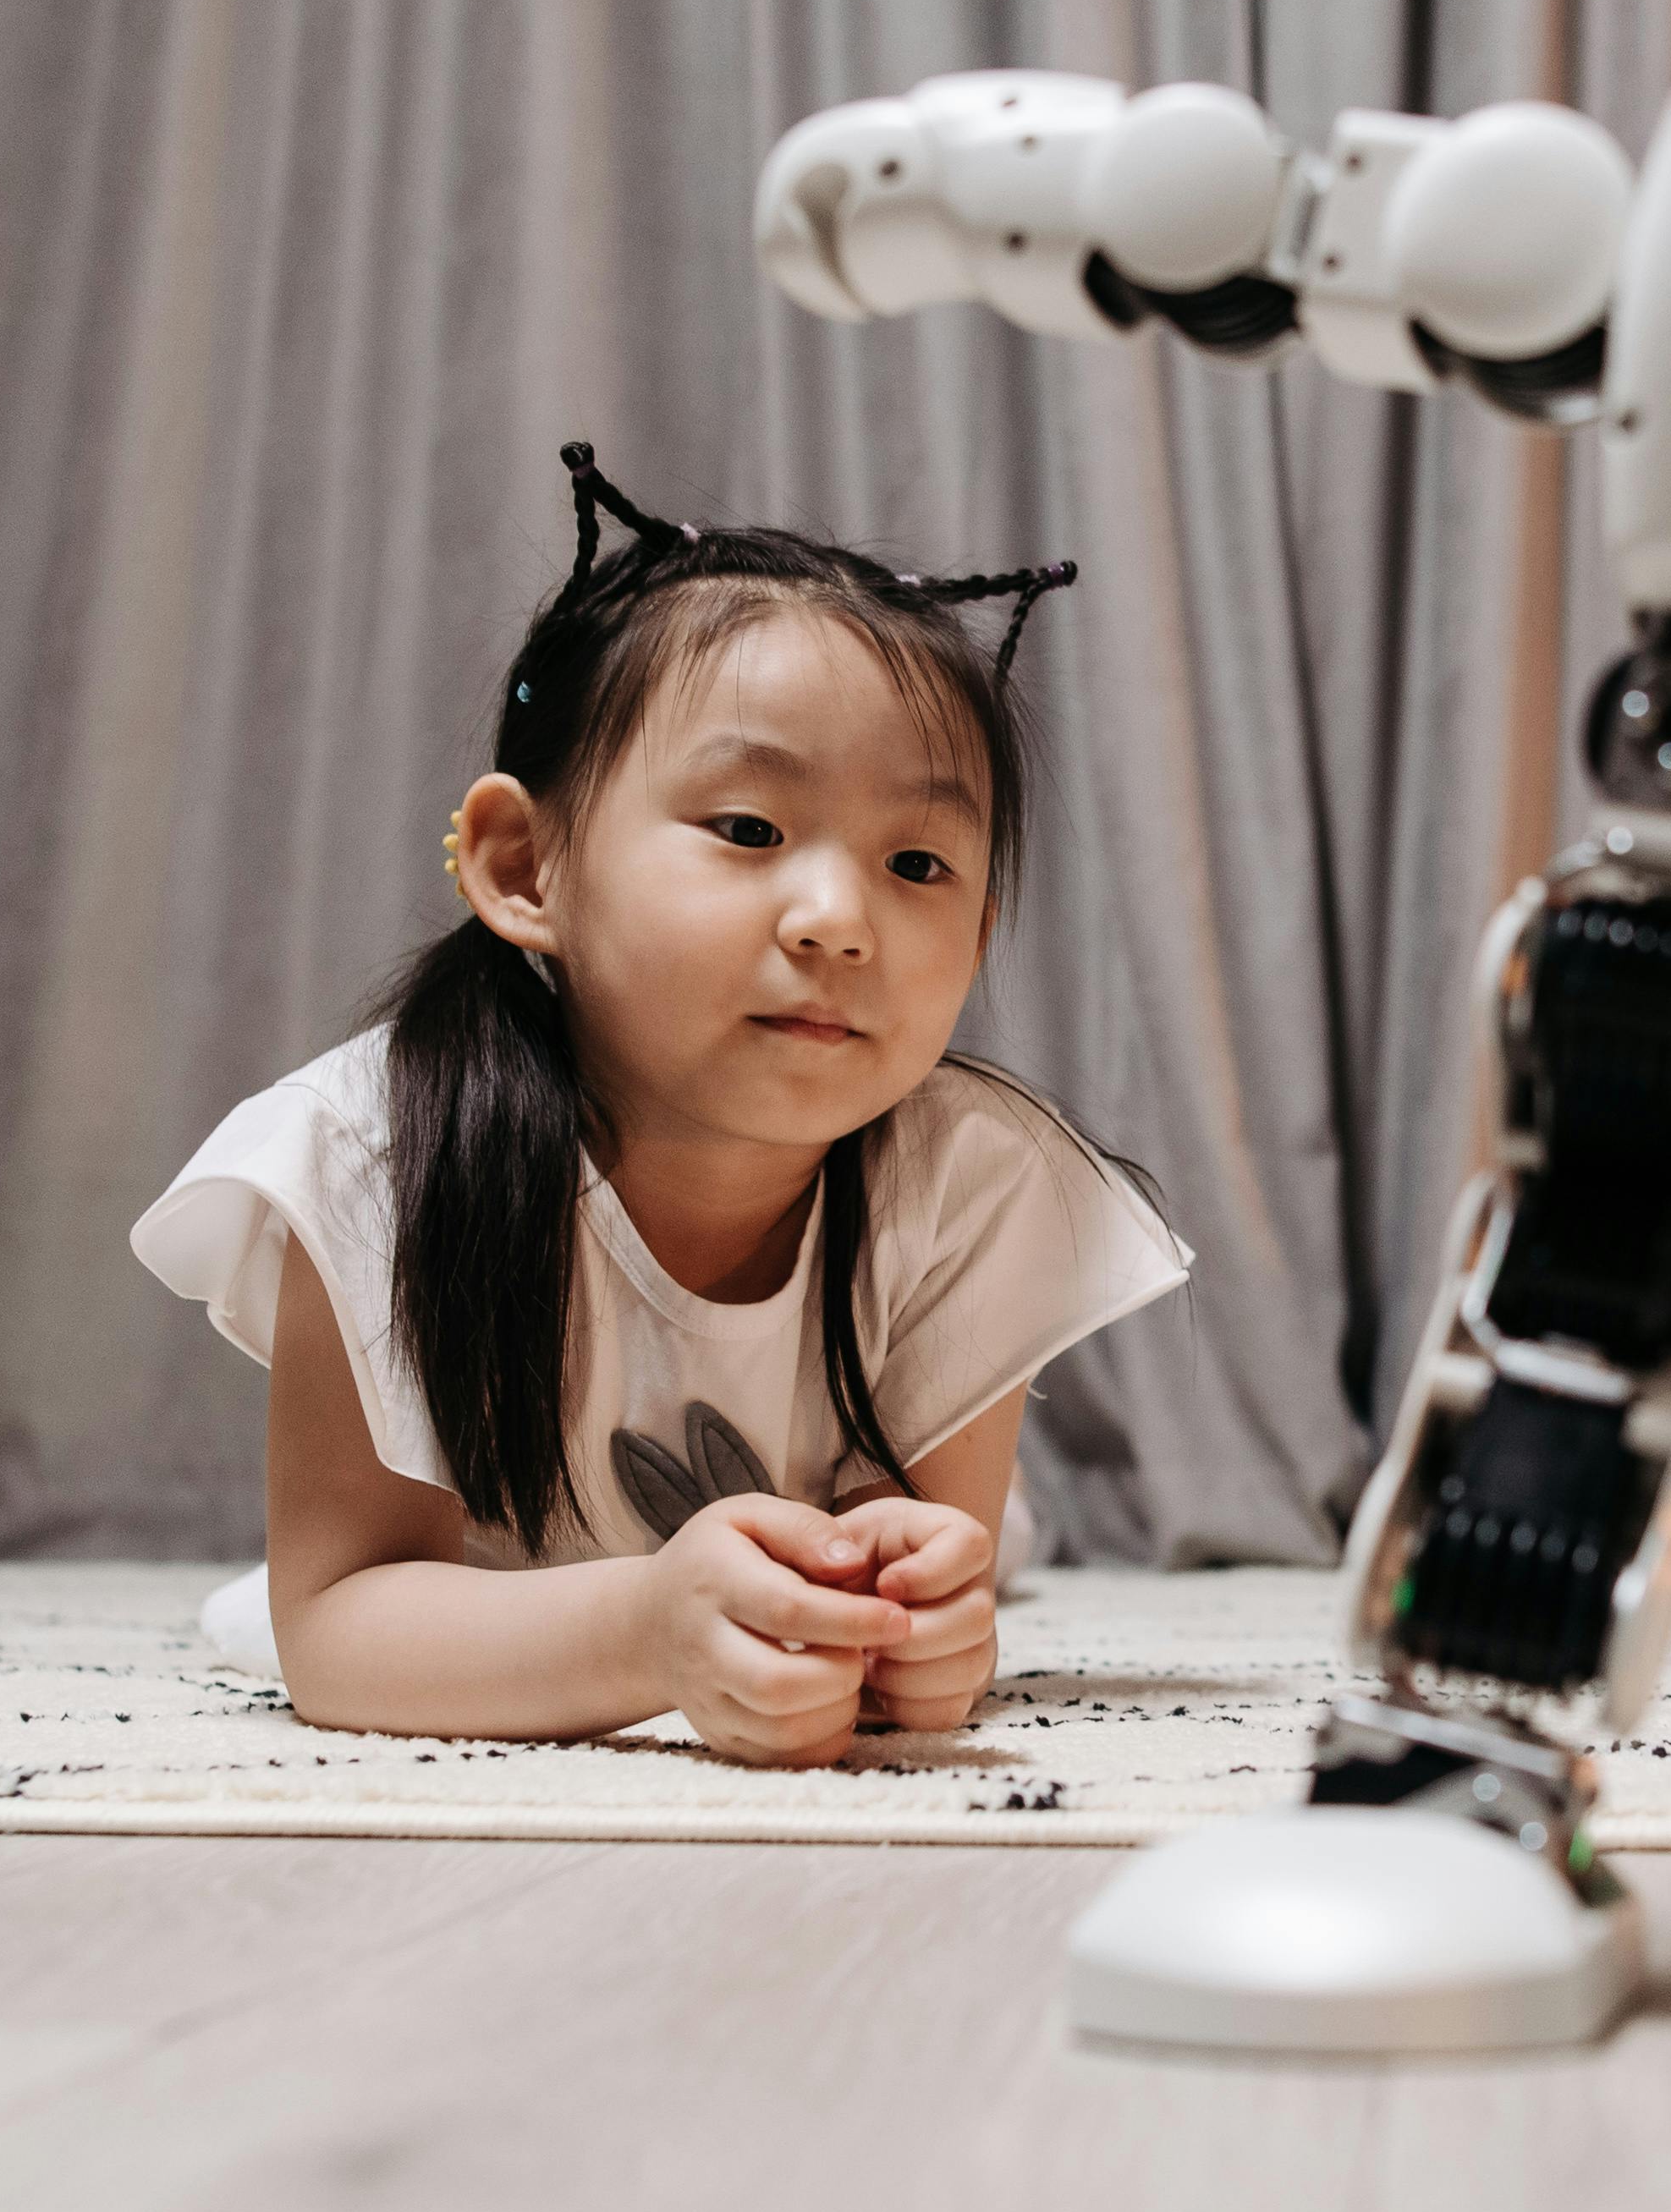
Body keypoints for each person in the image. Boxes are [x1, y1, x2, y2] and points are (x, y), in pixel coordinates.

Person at [135, 447, 1186, 1765]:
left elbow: (902, 1603)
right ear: (525, 865)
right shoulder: (374, 1157)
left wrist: (923, 1627)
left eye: (916, 862)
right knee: (276, 1610)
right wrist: (647, 1630)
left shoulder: (977, 1182)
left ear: (979, 935)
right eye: (748, 829)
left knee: (996, 1538)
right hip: (489, 1583)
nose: (839, 919)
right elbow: (341, 1625)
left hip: (767, 1534)